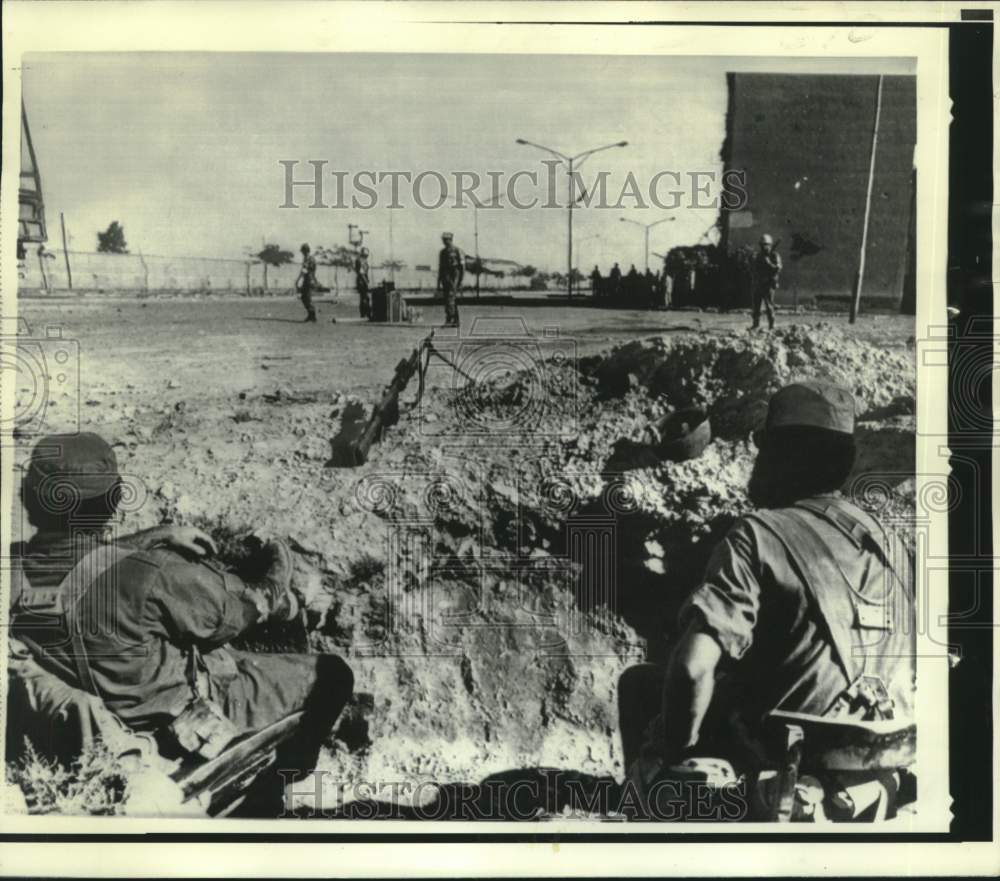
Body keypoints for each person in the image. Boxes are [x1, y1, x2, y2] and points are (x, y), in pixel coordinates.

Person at [619, 381, 915, 818]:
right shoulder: (892, 542)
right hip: (880, 765)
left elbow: (691, 667)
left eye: (763, 450)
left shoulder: (756, 536)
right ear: (847, 461)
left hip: (784, 774)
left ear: (779, 457)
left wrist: (675, 757)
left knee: (643, 686)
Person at [9, 432, 354, 803]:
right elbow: (239, 612)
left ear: (28, 498)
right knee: (334, 676)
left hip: (99, 722)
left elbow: (81, 558)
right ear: (113, 501)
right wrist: (275, 575)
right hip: (174, 729)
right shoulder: (149, 575)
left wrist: (159, 534)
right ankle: (266, 794)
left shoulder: (12, 571)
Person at [751, 233, 782, 330]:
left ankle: (771, 325)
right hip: (759, 283)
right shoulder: (759, 256)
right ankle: (756, 324)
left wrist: (768, 263)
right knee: (756, 305)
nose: (764, 247)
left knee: (769, 305)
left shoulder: (774, 255)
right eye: (762, 245)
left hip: (768, 284)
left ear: (770, 245)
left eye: (766, 245)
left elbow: (778, 268)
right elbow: (755, 268)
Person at [436, 232, 464, 327]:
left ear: (450, 240)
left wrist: (460, 280)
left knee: (451, 298)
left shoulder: (457, 250)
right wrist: (439, 282)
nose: (445, 242)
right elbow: (440, 267)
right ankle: (454, 319)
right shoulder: (442, 252)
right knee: (447, 299)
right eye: (443, 240)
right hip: (445, 276)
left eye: (446, 240)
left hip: (454, 275)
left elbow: (462, 267)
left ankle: (451, 319)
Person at [296, 243, 318, 323]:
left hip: (309, 280)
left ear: (305, 251)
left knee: (307, 298)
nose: (302, 253)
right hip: (307, 280)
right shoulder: (307, 258)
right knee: (304, 297)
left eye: (303, 251)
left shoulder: (309, 259)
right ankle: (310, 315)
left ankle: (313, 316)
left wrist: (298, 280)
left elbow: (305, 270)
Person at [355, 246, 371, 320]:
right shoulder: (360, 260)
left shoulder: (363, 260)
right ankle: (364, 313)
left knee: (364, 298)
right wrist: (366, 282)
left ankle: (364, 313)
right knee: (364, 298)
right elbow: (361, 273)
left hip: (363, 280)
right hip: (362, 281)